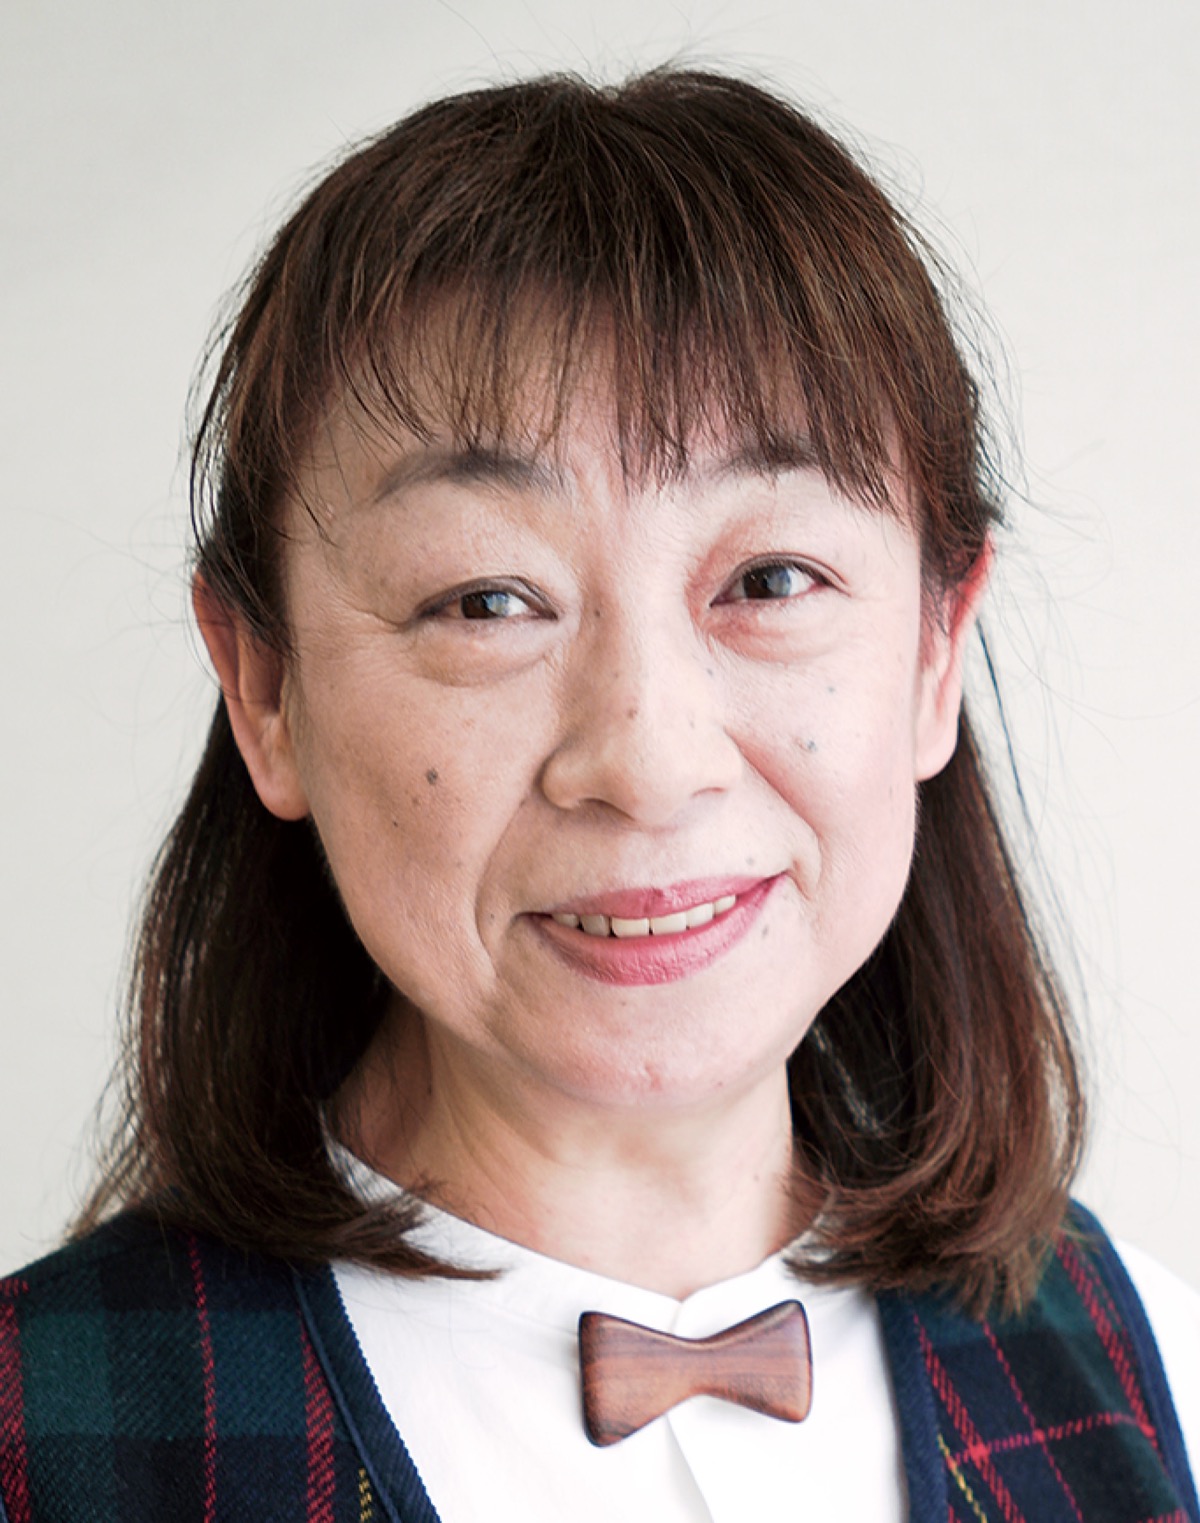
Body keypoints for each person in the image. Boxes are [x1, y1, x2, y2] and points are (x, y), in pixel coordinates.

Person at [1, 67, 1196, 1523]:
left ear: (936, 652)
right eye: (487, 600)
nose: (647, 759)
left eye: (771, 580)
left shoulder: (1158, 1373)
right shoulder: (37, 1440)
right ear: (264, 690)